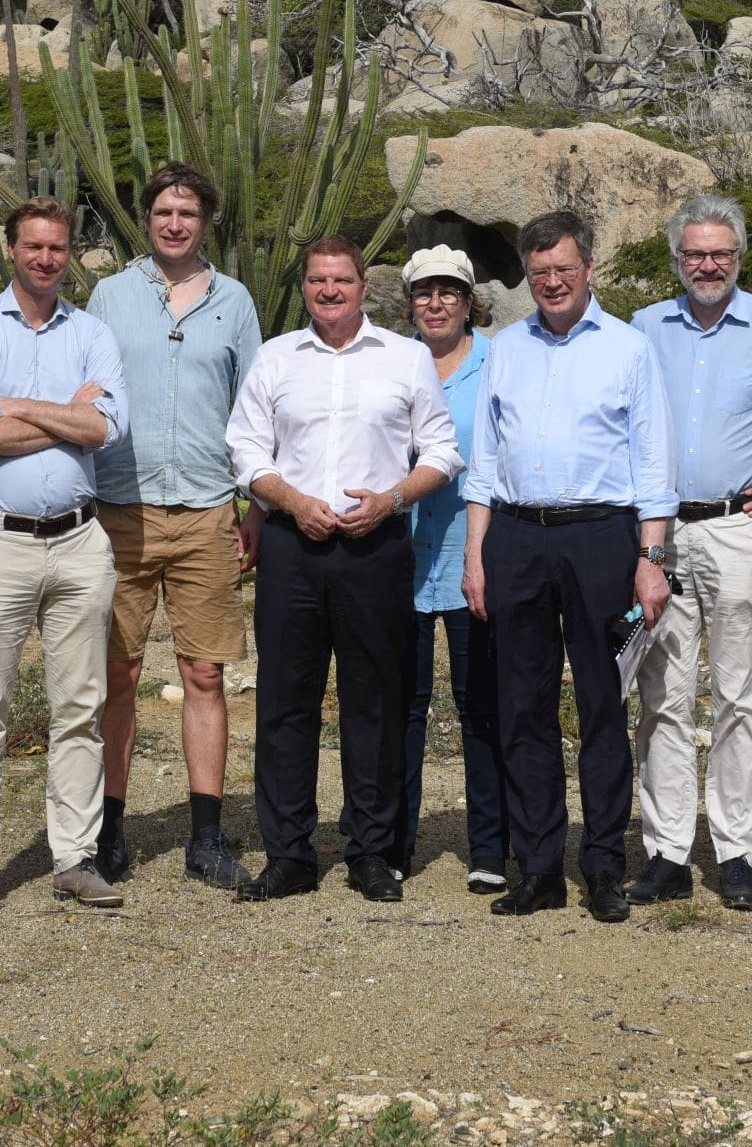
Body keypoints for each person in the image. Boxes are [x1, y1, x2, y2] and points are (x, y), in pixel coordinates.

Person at [225, 235, 461, 902]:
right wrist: (292, 503)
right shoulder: (275, 359)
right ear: (304, 286)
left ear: (363, 286)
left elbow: (441, 451)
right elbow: (244, 449)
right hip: (291, 549)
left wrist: (390, 499)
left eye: (342, 280)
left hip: (374, 547)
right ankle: (289, 854)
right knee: (284, 706)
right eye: (318, 281)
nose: (330, 291)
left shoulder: (406, 358)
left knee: (375, 704)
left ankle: (372, 853)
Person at [462, 209, 675, 924]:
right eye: (540, 271)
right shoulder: (505, 349)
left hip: (602, 542)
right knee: (521, 708)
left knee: (602, 705)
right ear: (528, 275)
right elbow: (484, 462)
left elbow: (653, 462)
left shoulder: (627, 348)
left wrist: (651, 560)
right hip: (516, 539)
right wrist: (476, 558)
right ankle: (540, 867)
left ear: (589, 270)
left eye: (564, 269)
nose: (551, 282)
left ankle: (605, 866)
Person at [0, 198, 129, 913]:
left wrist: (18, 405)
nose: (46, 259)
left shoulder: (92, 332)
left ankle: (75, 858)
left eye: (57, 248)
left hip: (81, 541)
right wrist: (67, 417)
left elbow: (111, 425)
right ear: (10, 250)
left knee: (80, 706)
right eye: (33, 247)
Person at [85, 163, 263, 891]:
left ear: (205, 221)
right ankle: (109, 831)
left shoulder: (235, 302)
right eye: (163, 211)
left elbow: (255, 410)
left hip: (206, 509)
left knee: (203, 672)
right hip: (117, 510)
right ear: (147, 217)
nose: (175, 223)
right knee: (117, 673)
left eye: (188, 212)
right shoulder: (109, 295)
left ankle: (206, 835)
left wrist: (257, 509)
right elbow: (87, 393)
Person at [629, 198, 752, 912]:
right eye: (696, 254)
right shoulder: (642, 329)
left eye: (721, 253)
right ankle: (668, 851)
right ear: (676, 258)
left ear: (739, 256)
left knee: (741, 694)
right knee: (662, 696)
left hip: (738, 529)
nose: (708, 265)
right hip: (661, 529)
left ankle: (736, 852)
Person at [397, 245, 509, 894]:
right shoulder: (388, 362)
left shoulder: (500, 364)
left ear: (470, 302)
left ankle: (490, 846)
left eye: (449, 291)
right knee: (402, 708)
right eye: (424, 291)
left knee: (481, 707)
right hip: (399, 560)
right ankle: (394, 844)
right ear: (409, 302)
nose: (436, 302)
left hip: (477, 559)